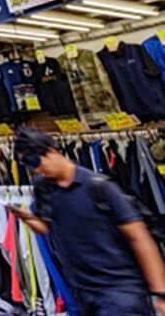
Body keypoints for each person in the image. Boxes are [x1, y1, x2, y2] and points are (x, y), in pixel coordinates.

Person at [12, 127, 165, 315]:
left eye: (34, 160)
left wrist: (160, 293)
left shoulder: (99, 187)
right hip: (82, 293)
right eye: (27, 164)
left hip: (120, 292)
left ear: (51, 151)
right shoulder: (44, 189)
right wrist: (26, 218)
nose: (35, 168)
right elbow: (48, 228)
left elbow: (139, 237)